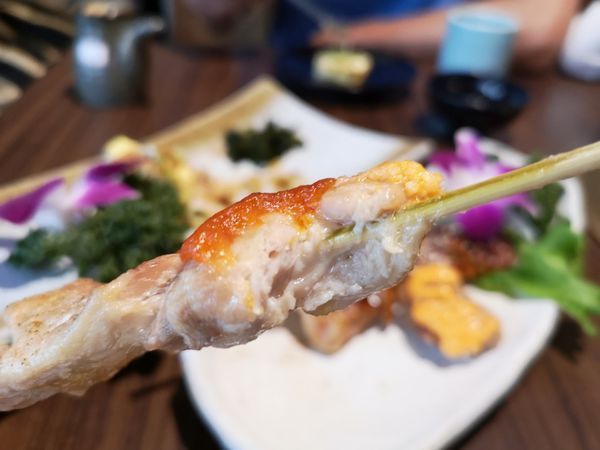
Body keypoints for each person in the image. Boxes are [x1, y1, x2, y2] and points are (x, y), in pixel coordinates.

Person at [184, 0, 581, 71]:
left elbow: (540, 27)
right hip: (293, 78)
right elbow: (217, 11)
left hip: (438, 79)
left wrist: (354, 35)